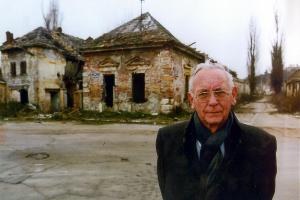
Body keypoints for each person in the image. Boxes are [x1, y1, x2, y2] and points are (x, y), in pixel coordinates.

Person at [156, 63, 277, 200]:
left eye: (220, 92)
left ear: (233, 95)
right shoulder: (168, 140)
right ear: (192, 100)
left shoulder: (262, 144)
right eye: (203, 94)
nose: (213, 101)